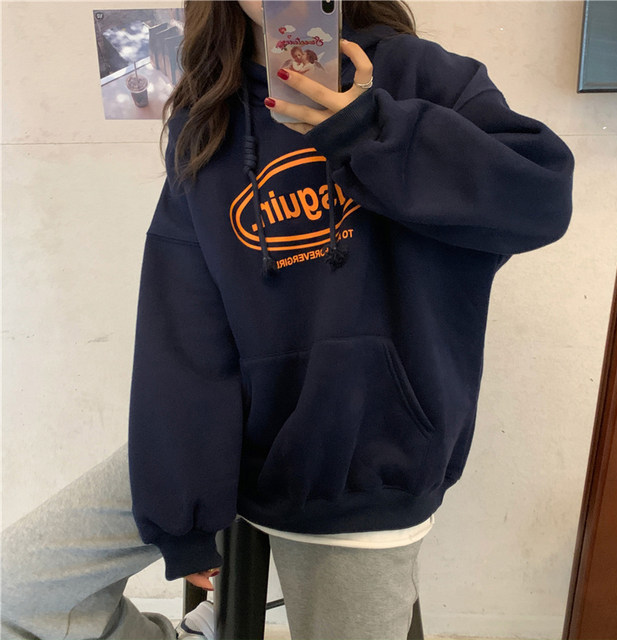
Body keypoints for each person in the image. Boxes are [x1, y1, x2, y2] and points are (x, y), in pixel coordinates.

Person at [1, 1, 575, 639]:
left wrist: (372, 130)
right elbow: (185, 322)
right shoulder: (207, 118)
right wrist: (183, 513)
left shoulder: (418, 75)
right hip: (229, 443)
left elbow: (541, 198)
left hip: (362, 473)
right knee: (16, 589)